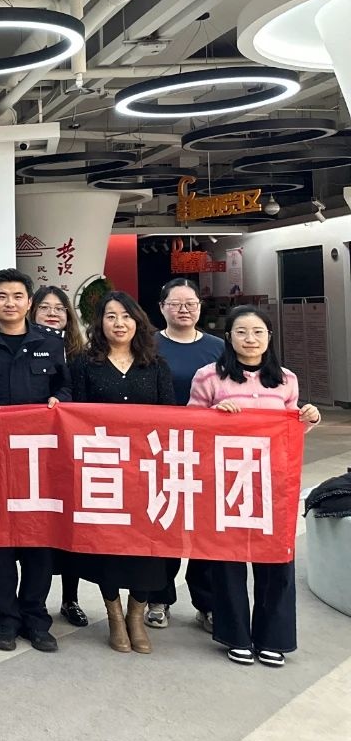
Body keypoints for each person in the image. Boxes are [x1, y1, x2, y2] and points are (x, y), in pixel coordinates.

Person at [189, 305, 320, 668]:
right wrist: (214, 416)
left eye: (258, 332)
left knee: (276, 558)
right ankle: (234, 635)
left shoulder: (286, 379)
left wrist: (307, 417)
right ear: (228, 337)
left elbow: (290, 430)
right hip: (226, 481)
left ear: (269, 337)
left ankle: (273, 637)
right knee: (228, 559)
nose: (250, 339)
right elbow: (190, 424)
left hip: (273, 482)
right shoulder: (208, 377)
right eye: (242, 332)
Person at [0, 268, 71, 654]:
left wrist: (60, 401)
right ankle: (6, 619)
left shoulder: (51, 342)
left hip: (40, 459)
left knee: (39, 541)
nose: (10, 303)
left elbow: (65, 385)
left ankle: (36, 618)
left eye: (17, 296)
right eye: (2, 296)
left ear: (29, 302)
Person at [68, 292, 175, 654]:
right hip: (103, 470)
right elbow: (76, 416)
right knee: (108, 547)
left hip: (147, 473)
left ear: (138, 321)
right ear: (99, 323)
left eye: (126, 316)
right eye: (110, 316)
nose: (119, 323)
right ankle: (114, 615)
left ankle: (136, 615)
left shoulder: (155, 365)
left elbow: (171, 418)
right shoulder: (84, 364)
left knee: (148, 547)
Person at [147, 277, 225, 631]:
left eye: (190, 304)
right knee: (164, 524)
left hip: (208, 452)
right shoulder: (148, 345)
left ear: (199, 307)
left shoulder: (218, 347)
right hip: (161, 449)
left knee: (205, 528)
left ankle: (206, 603)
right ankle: (159, 598)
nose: (183, 310)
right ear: (161, 308)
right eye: (175, 304)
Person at [31, 285, 90, 630]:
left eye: (59, 308)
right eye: (45, 307)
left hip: (73, 450)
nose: (53, 313)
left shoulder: (82, 354)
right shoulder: (27, 347)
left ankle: (71, 599)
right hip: (36, 450)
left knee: (70, 526)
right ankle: (35, 601)